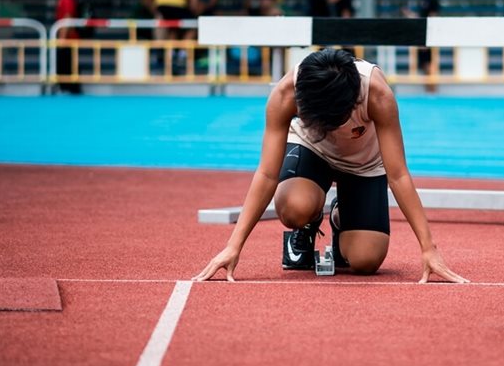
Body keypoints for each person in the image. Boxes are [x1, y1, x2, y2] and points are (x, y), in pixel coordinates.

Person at [194, 49, 468, 284]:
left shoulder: (377, 95)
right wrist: (233, 246)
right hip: (311, 149)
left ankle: (340, 215)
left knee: (365, 261)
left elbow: (397, 175)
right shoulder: (286, 94)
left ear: (352, 104)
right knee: (294, 208)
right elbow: (266, 173)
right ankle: (309, 222)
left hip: (364, 163)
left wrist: (428, 248)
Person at [402, 0, 440, 93]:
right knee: (424, 64)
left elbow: (432, 18)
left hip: (427, 36)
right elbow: (421, 17)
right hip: (422, 35)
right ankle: (428, 90)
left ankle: (432, 90)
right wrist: (409, 14)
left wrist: (428, 39)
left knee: (428, 63)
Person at [55, 0, 82, 94]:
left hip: (69, 39)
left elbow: (67, 17)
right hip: (68, 38)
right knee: (68, 63)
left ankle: (69, 88)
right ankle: (67, 88)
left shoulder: (67, 0)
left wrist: (62, 37)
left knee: (68, 64)